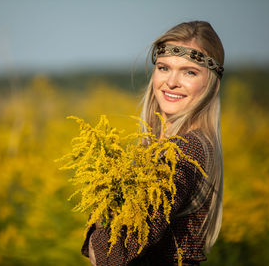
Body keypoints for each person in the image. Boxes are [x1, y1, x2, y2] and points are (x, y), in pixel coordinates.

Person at [81, 20, 225, 265]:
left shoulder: (184, 150)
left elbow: (115, 255)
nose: (171, 82)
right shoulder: (164, 145)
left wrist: (102, 219)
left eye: (190, 72)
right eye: (164, 67)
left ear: (210, 83)